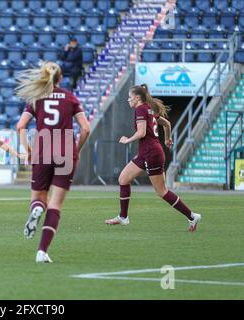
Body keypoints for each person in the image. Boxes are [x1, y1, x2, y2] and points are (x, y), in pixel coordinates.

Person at [15, 61, 91, 263]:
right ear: (61, 78)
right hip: (66, 149)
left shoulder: (36, 97)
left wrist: (28, 150)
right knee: (56, 204)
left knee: (39, 196)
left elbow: (20, 126)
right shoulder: (70, 97)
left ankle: (36, 208)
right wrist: (77, 149)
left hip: (42, 148)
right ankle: (42, 251)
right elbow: (86, 129)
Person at [105, 84, 201, 231]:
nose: (128, 100)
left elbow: (142, 132)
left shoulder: (141, 109)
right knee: (123, 179)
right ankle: (123, 217)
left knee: (162, 191)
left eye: (130, 97)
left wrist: (127, 140)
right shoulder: (148, 109)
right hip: (147, 153)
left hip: (151, 153)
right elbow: (167, 124)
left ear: (137, 98)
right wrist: (167, 139)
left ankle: (192, 216)